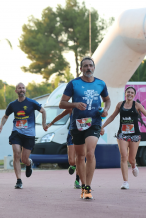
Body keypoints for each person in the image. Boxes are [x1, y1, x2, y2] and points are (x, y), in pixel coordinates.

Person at [59, 56, 111, 199]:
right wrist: (74, 105)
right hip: (78, 123)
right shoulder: (73, 84)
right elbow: (62, 103)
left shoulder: (101, 84)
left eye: (90, 65)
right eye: (85, 66)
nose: (88, 68)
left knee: (90, 152)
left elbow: (107, 100)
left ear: (94, 68)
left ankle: (88, 187)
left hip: (94, 122)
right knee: (80, 156)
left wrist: (106, 109)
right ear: (81, 69)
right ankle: (83, 186)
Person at [100, 86, 146, 189]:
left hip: (135, 135)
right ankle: (125, 182)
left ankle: (134, 165)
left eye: (132, 93)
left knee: (131, 159)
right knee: (123, 156)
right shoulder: (120, 105)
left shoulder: (137, 105)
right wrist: (102, 126)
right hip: (122, 134)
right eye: (128, 92)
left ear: (134, 95)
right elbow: (112, 117)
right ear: (125, 94)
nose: (129, 94)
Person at [0, 82, 47, 189]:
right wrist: (1, 125)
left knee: (24, 159)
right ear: (16, 91)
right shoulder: (12, 105)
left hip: (29, 134)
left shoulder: (31, 103)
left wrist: (43, 124)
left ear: (25, 90)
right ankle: (19, 180)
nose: (21, 90)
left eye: (23, 88)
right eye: (19, 88)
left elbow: (43, 111)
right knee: (16, 154)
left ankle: (29, 164)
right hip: (17, 132)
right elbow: (5, 116)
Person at [44, 109, 81, 189]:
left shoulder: (88, 108)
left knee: (80, 158)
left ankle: (77, 180)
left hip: (82, 134)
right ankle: (73, 166)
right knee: (71, 161)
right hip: (72, 134)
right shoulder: (72, 107)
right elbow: (61, 115)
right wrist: (50, 124)